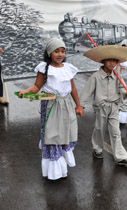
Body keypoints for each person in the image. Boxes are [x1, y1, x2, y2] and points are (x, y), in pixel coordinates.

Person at [18, 38, 83, 180]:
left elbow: (72, 88)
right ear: (49, 53)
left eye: (63, 51)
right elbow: (36, 86)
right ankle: (55, 171)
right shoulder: (44, 68)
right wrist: (26, 91)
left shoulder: (68, 68)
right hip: (51, 106)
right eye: (56, 51)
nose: (60, 54)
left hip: (66, 105)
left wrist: (78, 105)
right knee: (53, 136)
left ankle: (63, 165)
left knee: (67, 134)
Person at [80, 45, 127, 165]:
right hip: (101, 107)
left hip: (114, 107)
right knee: (99, 129)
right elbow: (86, 92)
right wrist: (80, 106)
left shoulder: (117, 76)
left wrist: (126, 93)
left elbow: (122, 88)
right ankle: (97, 149)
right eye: (109, 60)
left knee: (116, 132)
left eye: (114, 61)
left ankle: (120, 156)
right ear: (103, 61)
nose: (112, 63)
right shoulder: (96, 76)